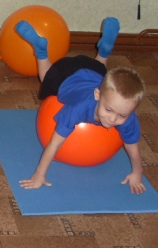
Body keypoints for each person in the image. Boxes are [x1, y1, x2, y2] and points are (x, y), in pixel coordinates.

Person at [16, 17, 146, 194]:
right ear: (96, 95)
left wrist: (137, 173)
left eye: (122, 115)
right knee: (46, 77)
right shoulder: (77, 109)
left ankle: (104, 50)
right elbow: (54, 143)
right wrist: (39, 175)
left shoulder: (126, 114)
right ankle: (41, 50)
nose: (112, 119)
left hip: (93, 70)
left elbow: (133, 148)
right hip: (66, 74)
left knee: (103, 74)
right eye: (108, 110)